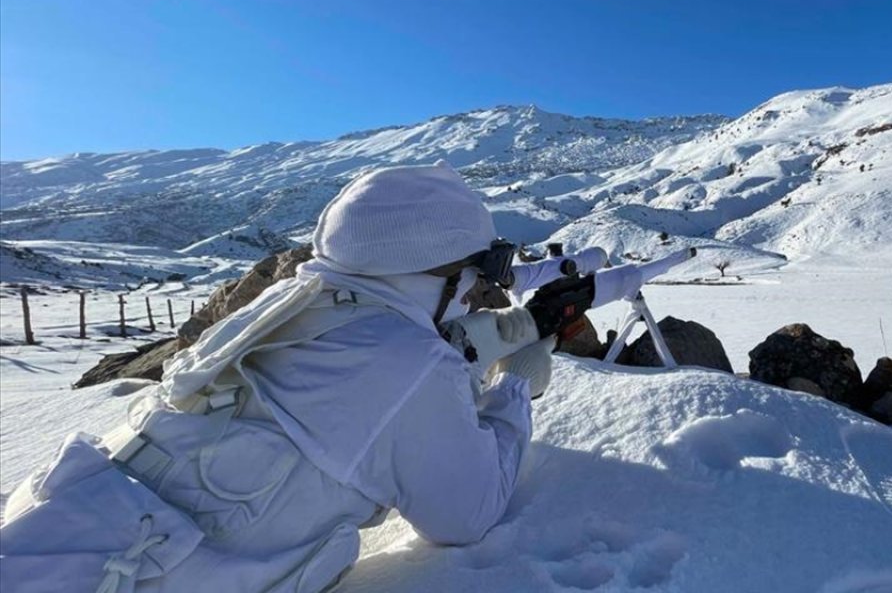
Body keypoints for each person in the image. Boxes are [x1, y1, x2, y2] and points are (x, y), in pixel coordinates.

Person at [0, 165, 555, 593]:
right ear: (435, 269)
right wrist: (513, 391)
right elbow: (465, 514)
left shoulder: (292, 299)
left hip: (61, 533)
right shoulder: (410, 364)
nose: (482, 290)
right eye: (479, 274)